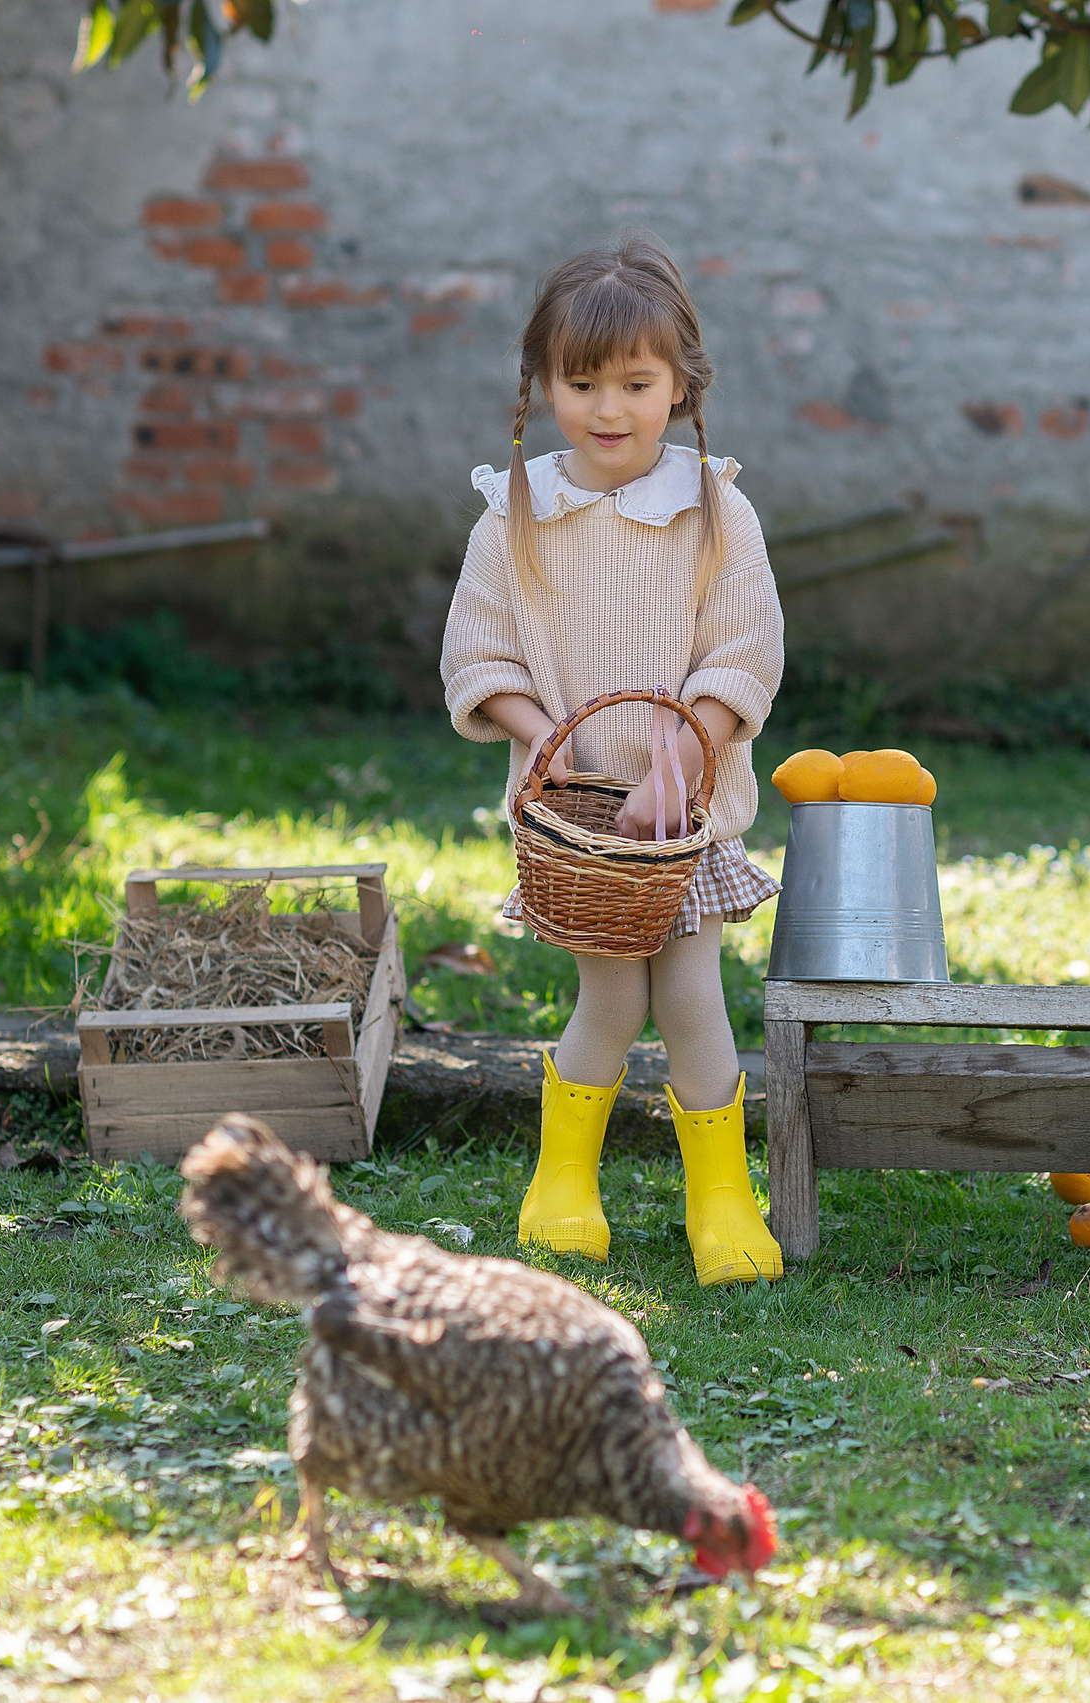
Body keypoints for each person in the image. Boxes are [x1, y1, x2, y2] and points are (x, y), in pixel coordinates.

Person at [440, 233, 786, 1287]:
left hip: (682, 817)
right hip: (578, 827)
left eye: (636, 383)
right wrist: (533, 722)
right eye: (580, 382)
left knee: (689, 992)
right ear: (543, 384)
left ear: (680, 384)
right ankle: (561, 1178)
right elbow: (477, 650)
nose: (608, 408)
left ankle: (720, 1195)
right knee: (609, 997)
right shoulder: (513, 518)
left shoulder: (716, 512)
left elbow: (744, 648)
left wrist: (686, 742)